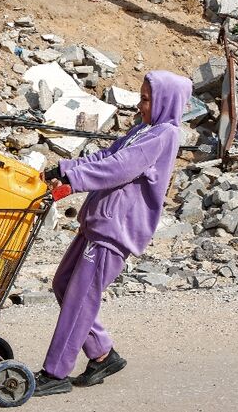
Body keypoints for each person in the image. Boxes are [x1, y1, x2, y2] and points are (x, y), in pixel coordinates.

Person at [34, 70, 191, 396]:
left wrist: (74, 182)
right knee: (64, 284)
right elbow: (107, 156)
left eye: (146, 99)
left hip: (115, 229)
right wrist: (63, 170)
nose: (140, 104)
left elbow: (119, 169)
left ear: (165, 101)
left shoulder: (163, 135)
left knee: (80, 298)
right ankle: (103, 353)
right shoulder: (142, 130)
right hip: (98, 221)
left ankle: (55, 372)